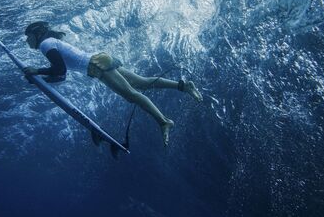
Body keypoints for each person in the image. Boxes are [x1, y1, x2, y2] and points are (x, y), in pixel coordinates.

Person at [21, 21, 202, 146]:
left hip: (96, 65)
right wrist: (40, 79)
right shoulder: (50, 42)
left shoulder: (45, 44)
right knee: (142, 83)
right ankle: (184, 86)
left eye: (28, 36)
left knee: (132, 94)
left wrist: (36, 71)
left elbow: (60, 70)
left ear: (37, 34)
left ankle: (164, 122)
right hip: (100, 60)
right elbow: (61, 75)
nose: (27, 40)